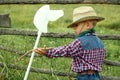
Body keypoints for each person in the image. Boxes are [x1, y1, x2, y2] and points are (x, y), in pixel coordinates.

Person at [34, 6, 106, 80]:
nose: (74, 28)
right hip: (96, 77)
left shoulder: (79, 42)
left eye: (76, 25)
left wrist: (48, 52)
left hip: (84, 77)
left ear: (88, 25)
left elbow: (66, 50)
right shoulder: (99, 42)